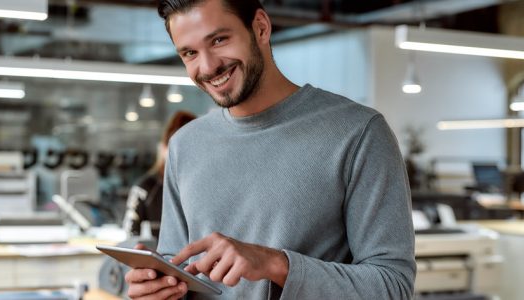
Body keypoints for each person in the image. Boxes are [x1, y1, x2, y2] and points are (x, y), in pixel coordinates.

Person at [125, 0, 416, 299]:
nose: (208, 66)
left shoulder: (359, 132)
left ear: (261, 27)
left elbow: (393, 286)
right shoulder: (184, 145)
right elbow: (180, 272)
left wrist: (276, 264)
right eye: (190, 53)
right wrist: (157, 288)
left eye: (219, 40)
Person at [122, 111, 197, 238]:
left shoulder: (206, 188)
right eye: (175, 148)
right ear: (163, 149)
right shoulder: (145, 188)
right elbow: (130, 236)